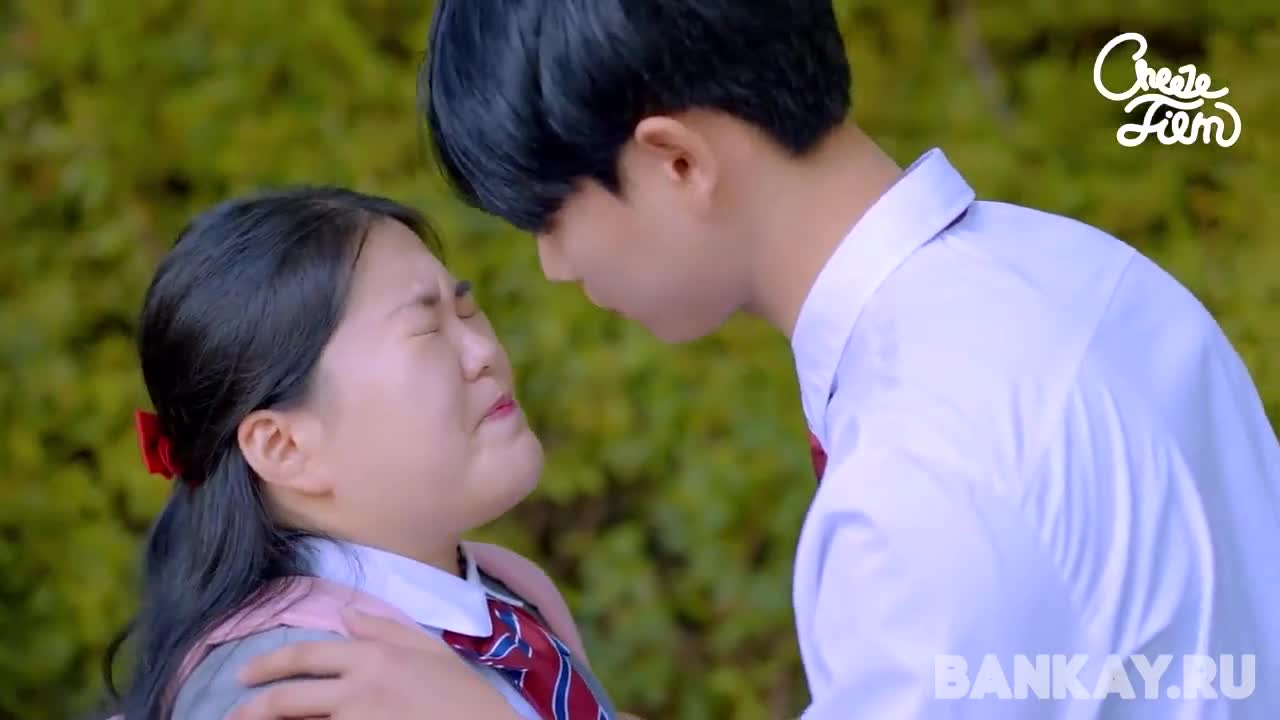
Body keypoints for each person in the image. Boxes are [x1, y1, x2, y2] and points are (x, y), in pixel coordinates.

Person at [237, 1, 1280, 718]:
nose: (554, 266)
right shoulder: (1080, 269)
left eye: (551, 217)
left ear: (675, 161)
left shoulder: (921, 478)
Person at [103, 186, 632, 720]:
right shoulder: (291, 688)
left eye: (466, 309)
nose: (483, 353)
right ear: (284, 447)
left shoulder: (509, 592)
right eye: (427, 329)